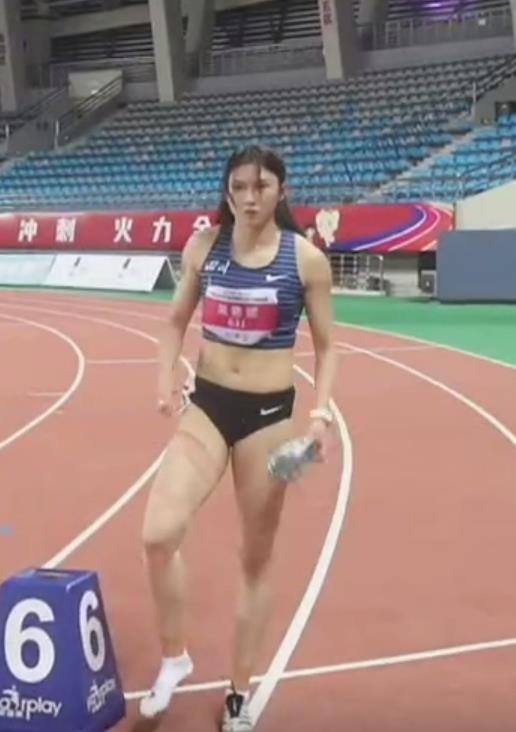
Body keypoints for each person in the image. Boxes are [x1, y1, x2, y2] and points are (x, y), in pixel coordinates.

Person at [139, 145, 336, 731]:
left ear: (281, 191)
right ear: (227, 191)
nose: (250, 198)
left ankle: (238, 693)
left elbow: (328, 348)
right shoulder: (204, 248)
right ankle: (174, 657)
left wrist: (320, 417)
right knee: (158, 533)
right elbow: (175, 321)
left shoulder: (305, 261)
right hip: (208, 406)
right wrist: (164, 376)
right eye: (240, 187)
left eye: (261, 186)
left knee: (255, 559)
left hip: (268, 417)